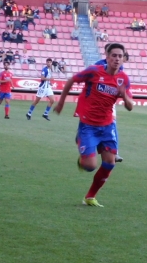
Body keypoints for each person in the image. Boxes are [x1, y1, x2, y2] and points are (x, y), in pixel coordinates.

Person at [54, 45, 133, 207]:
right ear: (107, 56)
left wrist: (123, 94)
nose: (117, 59)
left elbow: (130, 106)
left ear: (124, 58)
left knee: (110, 163)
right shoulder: (94, 71)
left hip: (107, 126)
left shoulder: (124, 79)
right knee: (90, 166)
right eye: (114, 56)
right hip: (88, 125)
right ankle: (83, 151)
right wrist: (61, 102)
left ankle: (90, 196)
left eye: (120, 56)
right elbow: (71, 80)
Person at [94, 44, 129, 162]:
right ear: (107, 53)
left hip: (109, 100)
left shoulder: (119, 66)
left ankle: (115, 152)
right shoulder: (98, 64)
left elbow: (119, 81)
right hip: (97, 100)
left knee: (112, 124)